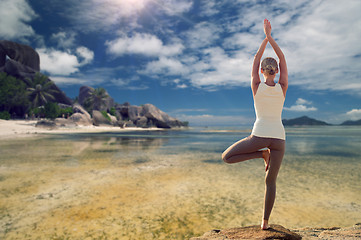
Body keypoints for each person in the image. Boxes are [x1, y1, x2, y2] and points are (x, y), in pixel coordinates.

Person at [222, 19, 288, 230]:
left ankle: (260, 154)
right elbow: (283, 57)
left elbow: (256, 58)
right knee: (270, 182)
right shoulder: (283, 86)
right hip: (279, 138)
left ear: (261, 72)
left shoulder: (256, 86)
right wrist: (271, 37)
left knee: (227, 157)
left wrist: (264, 38)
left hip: (258, 136)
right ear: (276, 72)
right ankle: (265, 223)